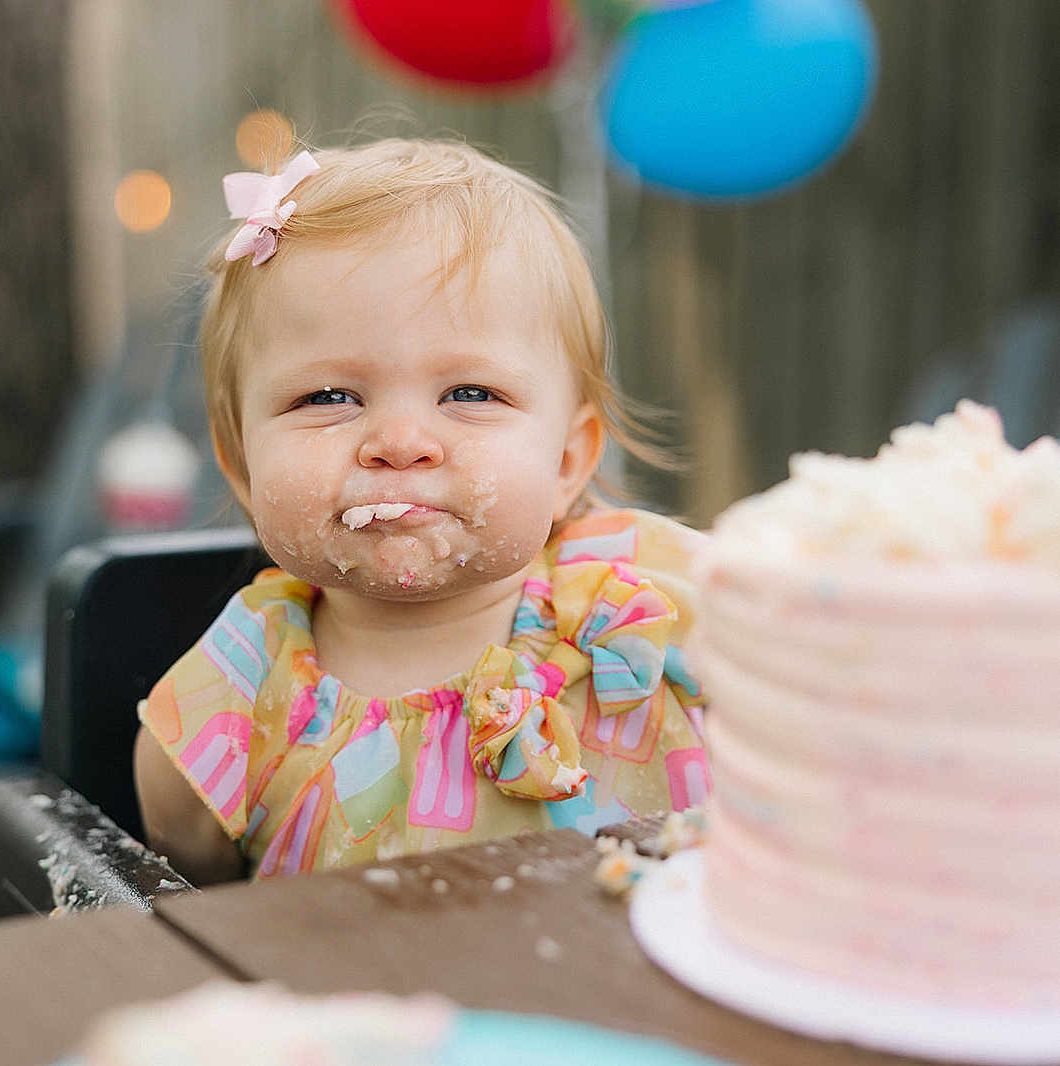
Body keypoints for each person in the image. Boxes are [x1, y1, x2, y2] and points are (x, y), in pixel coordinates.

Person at [133, 139, 708, 885]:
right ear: (242, 466)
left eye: (470, 394)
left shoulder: (658, 601)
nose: (400, 444)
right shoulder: (228, 707)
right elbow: (190, 910)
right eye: (329, 397)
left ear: (567, 462)